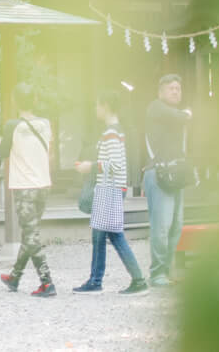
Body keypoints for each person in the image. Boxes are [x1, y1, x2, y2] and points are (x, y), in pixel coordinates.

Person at [73, 88, 148, 295]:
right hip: (112, 188)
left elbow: (114, 164)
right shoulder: (115, 130)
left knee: (113, 235)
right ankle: (96, 280)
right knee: (102, 234)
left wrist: (90, 166)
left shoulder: (111, 133)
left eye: (97, 105)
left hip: (109, 188)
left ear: (105, 106)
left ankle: (136, 280)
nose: (95, 109)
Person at [0, 84, 54, 296]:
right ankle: (15, 277)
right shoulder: (46, 124)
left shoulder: (12, 125)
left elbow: (3, 152)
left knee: (31, 235)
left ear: (15, 101)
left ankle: (47, 282)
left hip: (24, 186)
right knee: (30, 232)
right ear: (35, 100)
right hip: (43, 184)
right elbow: (49, 150)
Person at [143, 73, 193, 287]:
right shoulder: (156, 107)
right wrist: (187, 113)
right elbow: (183, 117)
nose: (175, 91)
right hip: (158, 174)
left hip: (175, 174)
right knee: (161, 227)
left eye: (178, 88)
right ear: (160, 92)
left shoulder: (174, 114)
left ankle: (167, 270)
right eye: (171, 88)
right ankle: (157, 274)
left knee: (175, 227)